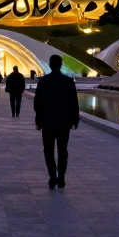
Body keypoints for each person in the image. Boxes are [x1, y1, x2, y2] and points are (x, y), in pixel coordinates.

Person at [33, 54, 78, 189]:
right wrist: (75, 120)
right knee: (62, 150)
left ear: (50, 65)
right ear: (60, 65)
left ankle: (53, 176)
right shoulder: (68, 81)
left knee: (48, 150)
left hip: (47, 122)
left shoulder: (43, 81)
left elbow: (37, 103)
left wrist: (38, 121)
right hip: (64, 122)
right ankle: (61, 177)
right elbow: (74, 103)